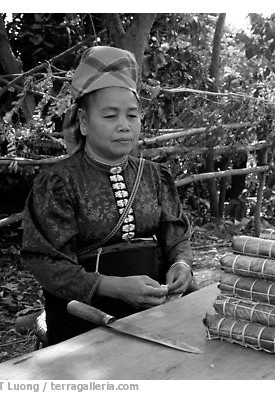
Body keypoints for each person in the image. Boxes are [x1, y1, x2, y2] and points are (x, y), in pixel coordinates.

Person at [21, 46, 194, 345]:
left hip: (157, 311)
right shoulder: (58, 183)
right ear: (85, 123)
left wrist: (181, 265)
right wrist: (112, 287)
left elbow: (175, 234)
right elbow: (46, 261)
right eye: (110, 115)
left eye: (132, 115)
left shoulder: (156, 175)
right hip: (83, 318)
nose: (124, 125)